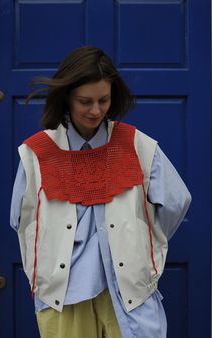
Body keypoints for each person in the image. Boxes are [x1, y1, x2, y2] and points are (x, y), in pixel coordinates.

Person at [10, 45, 191, 338]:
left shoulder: (137, 145)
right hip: (62, 296)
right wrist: (41, 276)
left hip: (129, 292)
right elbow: (23, 221)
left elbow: (176, 202)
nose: (96, 110)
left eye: (104, 100)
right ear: (66, 97)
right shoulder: (36, 153)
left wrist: (142, 244)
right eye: (85, 101)